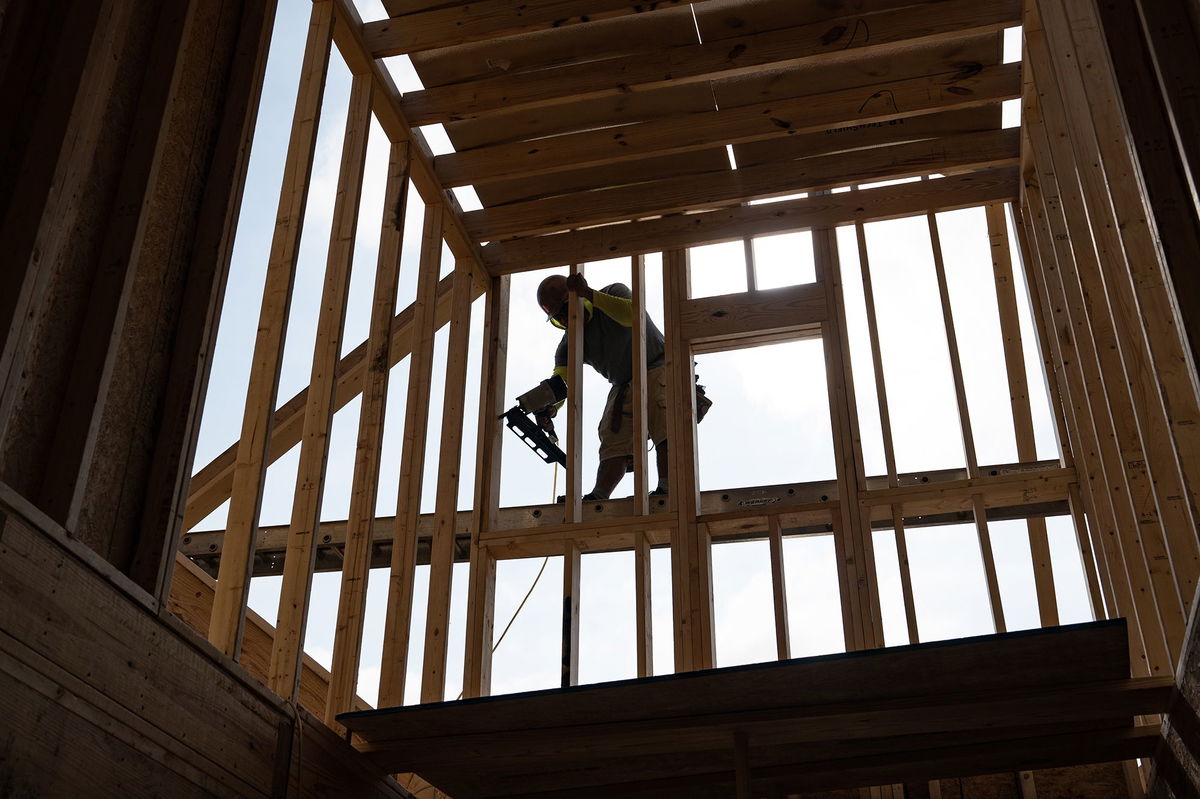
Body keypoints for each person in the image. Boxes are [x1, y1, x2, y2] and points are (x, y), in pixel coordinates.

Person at [535, 272, 711, 501]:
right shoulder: (570, 343)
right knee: (612, 435)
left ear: (578, 298)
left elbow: (633, 314)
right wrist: (549, 406)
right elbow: (562, 380)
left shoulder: (612, 293)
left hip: (659, 364)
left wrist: (589, 293)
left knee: (664, 422)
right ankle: (598, 497)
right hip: (623, 383)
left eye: (566, 312)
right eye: (559, 318)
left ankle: (668, 489)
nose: (566, 321)